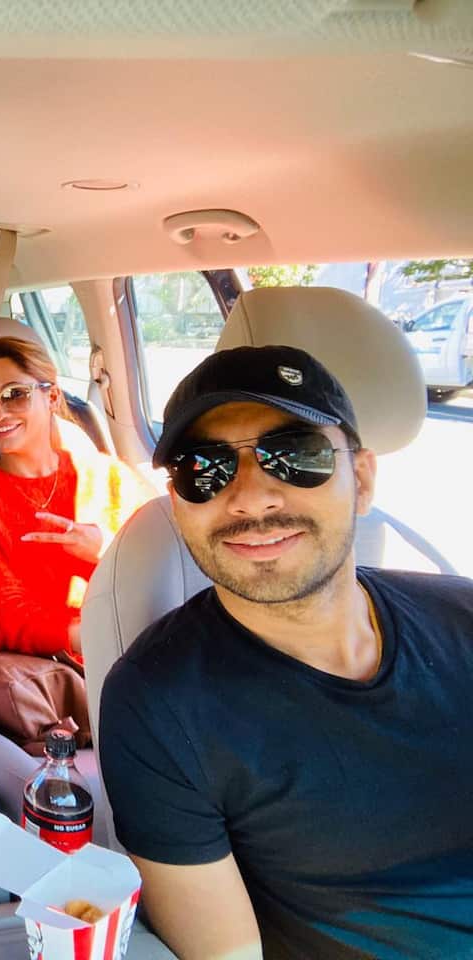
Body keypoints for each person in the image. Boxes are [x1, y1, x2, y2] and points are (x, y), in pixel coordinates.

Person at [99, 345, 473, 960]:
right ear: (179, 505)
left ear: (364, 480)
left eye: (296, 456)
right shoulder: (160, 703)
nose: (251, 499)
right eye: (205, 469)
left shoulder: (462, 617)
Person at [0, 336, 153, 661]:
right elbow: (5, 616)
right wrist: (99, 635)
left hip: (147, 642)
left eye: (15, 395)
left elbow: (165, 565)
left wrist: (107, 551)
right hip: (66, 665)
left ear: (52, 396)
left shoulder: (111, 478)